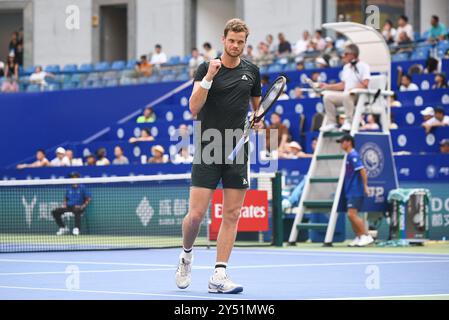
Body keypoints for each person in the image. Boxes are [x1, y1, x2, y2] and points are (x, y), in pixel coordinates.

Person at [176, 18, 262, 294]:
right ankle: (186, 255)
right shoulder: (206, 67)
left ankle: (219, 274)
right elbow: (193, 107)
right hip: (208, 148)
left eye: (240, 42)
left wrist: (257, 120)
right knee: (196, 215)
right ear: (223, 40)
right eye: (232, 41)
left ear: (244, 43)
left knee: (232, 214)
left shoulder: (252, 72)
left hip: (237, 149)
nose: (236, 46)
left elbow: (257, 111)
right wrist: (209, 77)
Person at [319, 44, 370, 132]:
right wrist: (327, 86)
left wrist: (353, 89)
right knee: (327, 97)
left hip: (358, 96)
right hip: (346, 95)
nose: (344, 56)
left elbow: (365, 84)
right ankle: (332, 123)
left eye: (346, 54)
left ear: (353, 54)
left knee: (347, 95)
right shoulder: (346, 67)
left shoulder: (364, 66)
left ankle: (349, 122)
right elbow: (342, 85)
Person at [337, 134, 373, 247]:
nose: (341, 144)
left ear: (348, 142)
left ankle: (366, 236)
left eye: (342, 142)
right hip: (349, 190)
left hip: (355, 190)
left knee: (351, 215)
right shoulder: (348, 156)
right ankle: (358, 237)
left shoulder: (353, 155)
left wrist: (365, 186)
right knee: (350, 215)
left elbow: (362, 171)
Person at [51, 172, 91, 236]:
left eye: (74, 177)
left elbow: (88, 198)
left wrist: (83, 206)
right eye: (72, 177)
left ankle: (76, 228)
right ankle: (63, 227)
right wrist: (64, 204)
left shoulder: (82, 187)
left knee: (77, 210)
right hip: (69, 207)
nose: (72, 179)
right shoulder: (69, 188)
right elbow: (66, 198)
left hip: (79, 207)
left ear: (78, 178)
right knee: (55, 211)